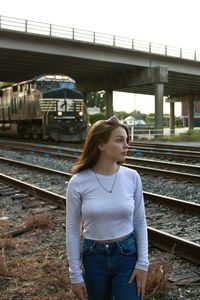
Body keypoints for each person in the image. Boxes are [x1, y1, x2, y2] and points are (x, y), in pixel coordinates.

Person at [66, 115, 149, 300]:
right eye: (119, 140)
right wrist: (75, 274)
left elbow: (140, 222)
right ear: (100, 144)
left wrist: (143, 263)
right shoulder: (78, 182)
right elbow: (72, 230)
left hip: (127, 255)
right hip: (93, 257)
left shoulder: (132, 177)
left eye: (127, 140)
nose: (126, 145)